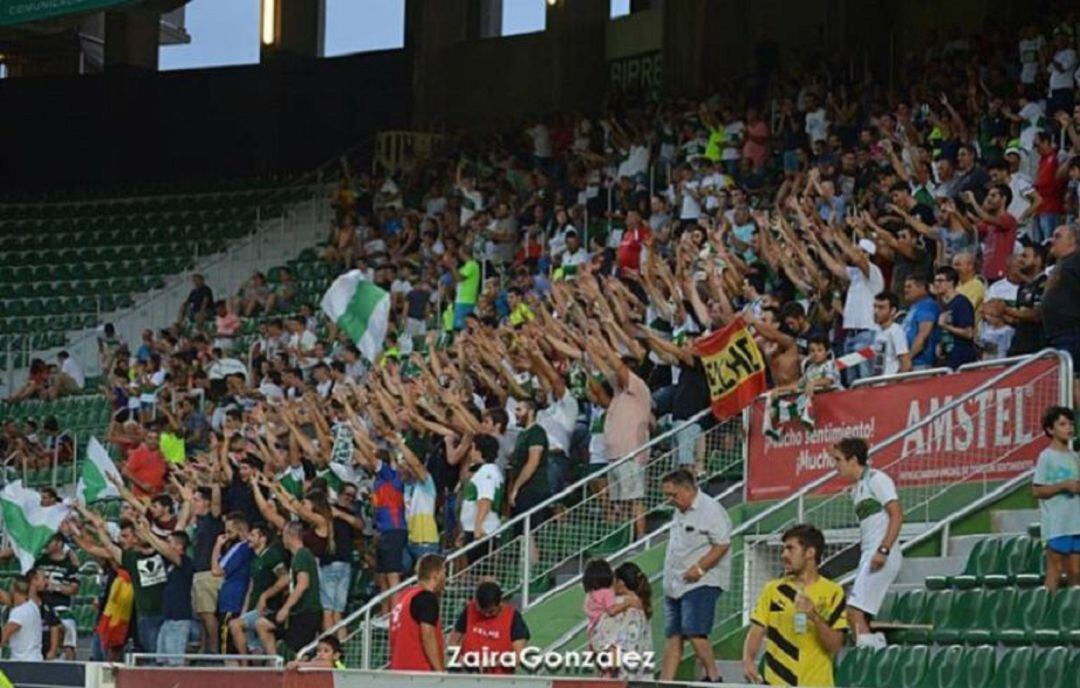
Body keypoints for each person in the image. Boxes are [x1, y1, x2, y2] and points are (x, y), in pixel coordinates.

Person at [742, 524, 847, 686]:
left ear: (810, 553)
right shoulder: (772, 589)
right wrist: (748, 660)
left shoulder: (833, 592)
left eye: (790, 549)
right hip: (776, 683)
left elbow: (834, 646)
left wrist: (814, 617)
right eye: (783, 549)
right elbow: (757, 630)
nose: (783, 555)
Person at [659, 469, 731, 682]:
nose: (671, 500)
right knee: (674, 635)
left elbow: (722, 543)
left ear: (688, 489)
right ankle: (665, 681)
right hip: (676, 582)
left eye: (674, 494)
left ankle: (713, 676)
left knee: (694, 630)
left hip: (702, 581)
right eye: (667, 496)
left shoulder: (710, 510)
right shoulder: (679, 510)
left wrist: (700, 568)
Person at [831, 438, 903, 645]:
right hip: (869, 554)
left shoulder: (877, 479)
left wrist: (883, 550)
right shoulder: (860, 486)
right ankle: (871, 651)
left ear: (853, 459)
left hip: (881, 554)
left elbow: (897, 515)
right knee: (855, 613)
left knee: (854, 612)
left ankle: (874, 654)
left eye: (838, 460)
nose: (836, 466)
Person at [255, 521, 322, 658]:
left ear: (289, 535)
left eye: (283, 534)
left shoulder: (302, 555)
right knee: (262, 624)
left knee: (300, 651)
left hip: (306, 612)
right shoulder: (298, 556)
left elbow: (303, 584)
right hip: (297, 612)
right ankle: (275, 664)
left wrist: (285, 608)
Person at [1033, 406, 1080, 591]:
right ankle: (1047, 615)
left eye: (1071, 424)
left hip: (1076, 522)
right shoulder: (1046, 457)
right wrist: (1063, 486)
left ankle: (1072, 616)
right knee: (1055, 571)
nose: (1068, 428)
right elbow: (1037, 491)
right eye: (1062, 424)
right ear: (1050, 430)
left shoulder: (1076, 457)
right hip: (1056, 525)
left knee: (1076, 572)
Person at [135, 520, 195, 666]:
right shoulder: (169, 565)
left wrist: (148, 534)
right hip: (168, 619)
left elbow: (166, 551)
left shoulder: (185, 562)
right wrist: (143, 533)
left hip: (179, 619)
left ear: (179, 546)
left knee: (175, 662)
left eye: (170, 542)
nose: (167, 545)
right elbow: (149, 550)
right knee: (161, 660)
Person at [447, 581, 530, 674]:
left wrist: (489, 663)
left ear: (500, 603)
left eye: (491, 612)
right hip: (468, 673)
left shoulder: (513, 617)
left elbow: (519, 656)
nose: (486, 615)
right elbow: (454, 640)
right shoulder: (470, 610)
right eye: (482, 611)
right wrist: (458, 658)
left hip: (497, 676)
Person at [388, 553, 447, 672]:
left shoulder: (404, 596)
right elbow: (428, 636)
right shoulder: (426, 598)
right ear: (435, 575)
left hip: (398, 669)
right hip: (418, 671)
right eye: (444, 573)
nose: (446, 578)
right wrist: (440, 671)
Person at [933, 266, 977, 369]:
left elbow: (969, 333)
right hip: (947, 360)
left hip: (963, 360)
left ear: (951, 282)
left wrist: (945, 326)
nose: (936, 284)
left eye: (940, 280)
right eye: (935, 280)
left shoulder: (961, 302)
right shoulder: (942, 304)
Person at [1, 576, 42, 661]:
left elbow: (3, 637)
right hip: (36, 659)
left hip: (23, 663)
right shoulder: (33, 606)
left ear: (13, 589)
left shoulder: (18, 612)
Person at [871, 291, 911, 376]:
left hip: (890, 385)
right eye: (875, 307)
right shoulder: (878, 331)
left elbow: (906, 364)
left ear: (893, 311)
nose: (876, 311)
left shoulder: (896, 331)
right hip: (879, 384)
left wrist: (893, 383)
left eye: (881, 308)